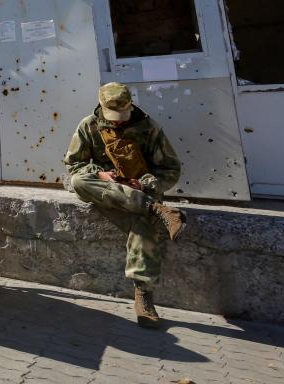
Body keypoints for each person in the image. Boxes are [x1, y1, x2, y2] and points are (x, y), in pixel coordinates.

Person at [63, 82, 186, 329]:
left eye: (122, 115)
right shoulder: (89, 126)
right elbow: (74, 166)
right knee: (78, 181)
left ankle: (143, 296)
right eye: (113, 116)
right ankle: (155, 208)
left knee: (144, 223)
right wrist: (100, 175)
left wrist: (145, 184)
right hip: (107, 191)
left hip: (139, 190)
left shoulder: (148, 128)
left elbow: (171, 170)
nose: (118, 121)